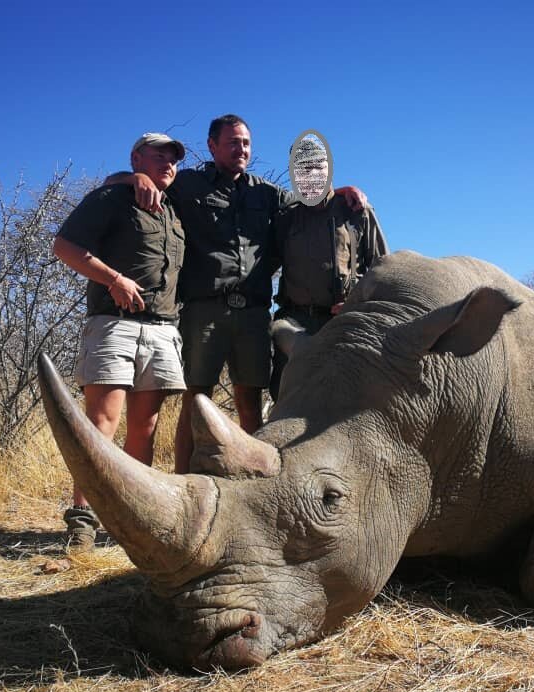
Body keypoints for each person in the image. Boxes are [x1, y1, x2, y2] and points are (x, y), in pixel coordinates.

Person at [111, 114, 365, 473]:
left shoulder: (267, 193)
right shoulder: (188, 185)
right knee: (196, 401)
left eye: (245, 143)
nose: (240, 149)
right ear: (212, 146)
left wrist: (339, 192)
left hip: (253, 313)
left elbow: (308, 202)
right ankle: (183, 480)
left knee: (251, 401)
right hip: (204, 310)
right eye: (232, 142)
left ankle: (253, 485)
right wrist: (136, 177)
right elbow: (122, 184)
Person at [52, 132, 187, 549]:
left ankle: (131, 519)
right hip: (115, 323)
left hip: (163, 329)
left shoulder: (175, 213)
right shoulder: (110, 199)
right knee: (101, 423)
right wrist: (114, 279)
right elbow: (64, 246)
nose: (167, 162)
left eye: (173, 158)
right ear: (137, 158)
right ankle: (83, 521)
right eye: (158, 154)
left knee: (145, 429)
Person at [270, 135, 388, 401]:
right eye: (302, 168)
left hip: (345, 322)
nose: (311, 174)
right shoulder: (286, 217)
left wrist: (356, 300)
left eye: (317, 166)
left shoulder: (357, 211)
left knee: (344, 403)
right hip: (294, 325)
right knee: (286, 398)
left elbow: (384, 270)